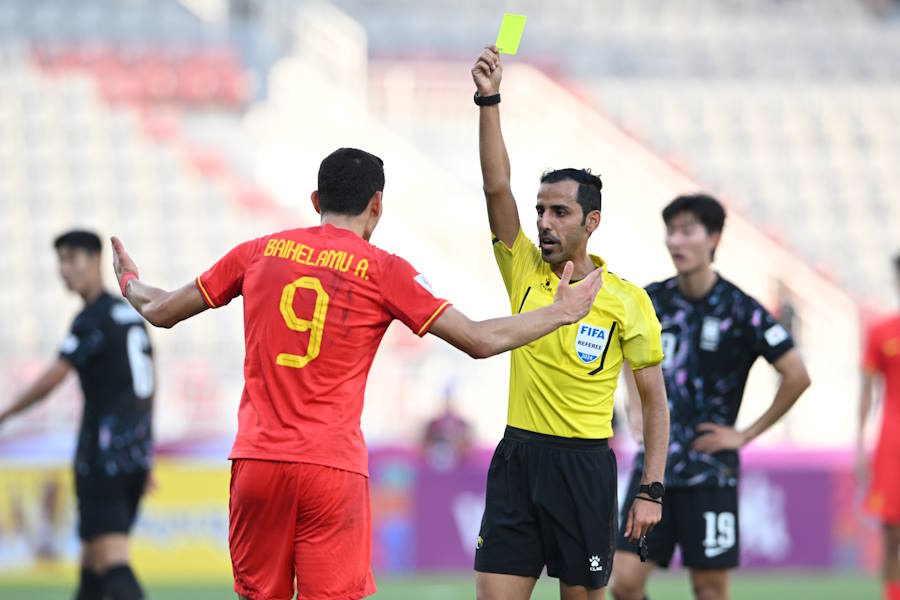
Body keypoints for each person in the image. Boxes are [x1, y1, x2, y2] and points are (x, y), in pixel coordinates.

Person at [109, 147, 605, 600]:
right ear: (376, 205)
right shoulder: (382, 269)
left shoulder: (257, 251)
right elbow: (478, 339)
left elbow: (161, 310)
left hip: (257, 462)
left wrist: (129, 280)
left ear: (316, 200)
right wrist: (560, 312)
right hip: (331, 468)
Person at [470, 46, 670, 600]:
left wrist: (651, 488)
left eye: (559, 212)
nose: (544, 222)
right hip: (517, 459)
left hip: (583, 468)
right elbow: (495, 188)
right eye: (540, 210)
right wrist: (489, 100)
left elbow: (654, 402)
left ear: (591, 221)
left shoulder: (627, 301)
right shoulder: (522, 268)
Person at [611, 194, 811, 600]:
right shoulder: (649, 301)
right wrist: (634, 405)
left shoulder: (741, 310)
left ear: (714, 238)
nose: (675, 241)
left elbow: (797, 375)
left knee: (709, 590)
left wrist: (744, 434)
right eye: (671, 231)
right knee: (624, 583)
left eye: (687, 231)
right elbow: (625, 351)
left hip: (710, 473)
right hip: (654, 470)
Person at [0, 230, 154, 600]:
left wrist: (4, 415)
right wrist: (144, 452)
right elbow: (147, 389)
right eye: (60, 261)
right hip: (132, 456)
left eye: (71, 259)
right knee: (92, 567)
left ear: (96, 259)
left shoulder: (93, 318)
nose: (63, 270)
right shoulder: (130, 316)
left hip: (102, 457)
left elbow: (54, 377)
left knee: (112, 562)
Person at [859, 253, 900, 600]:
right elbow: (866, 392)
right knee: (892, 533)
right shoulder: (881, 331)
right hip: (892, 445)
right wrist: (859, 445)